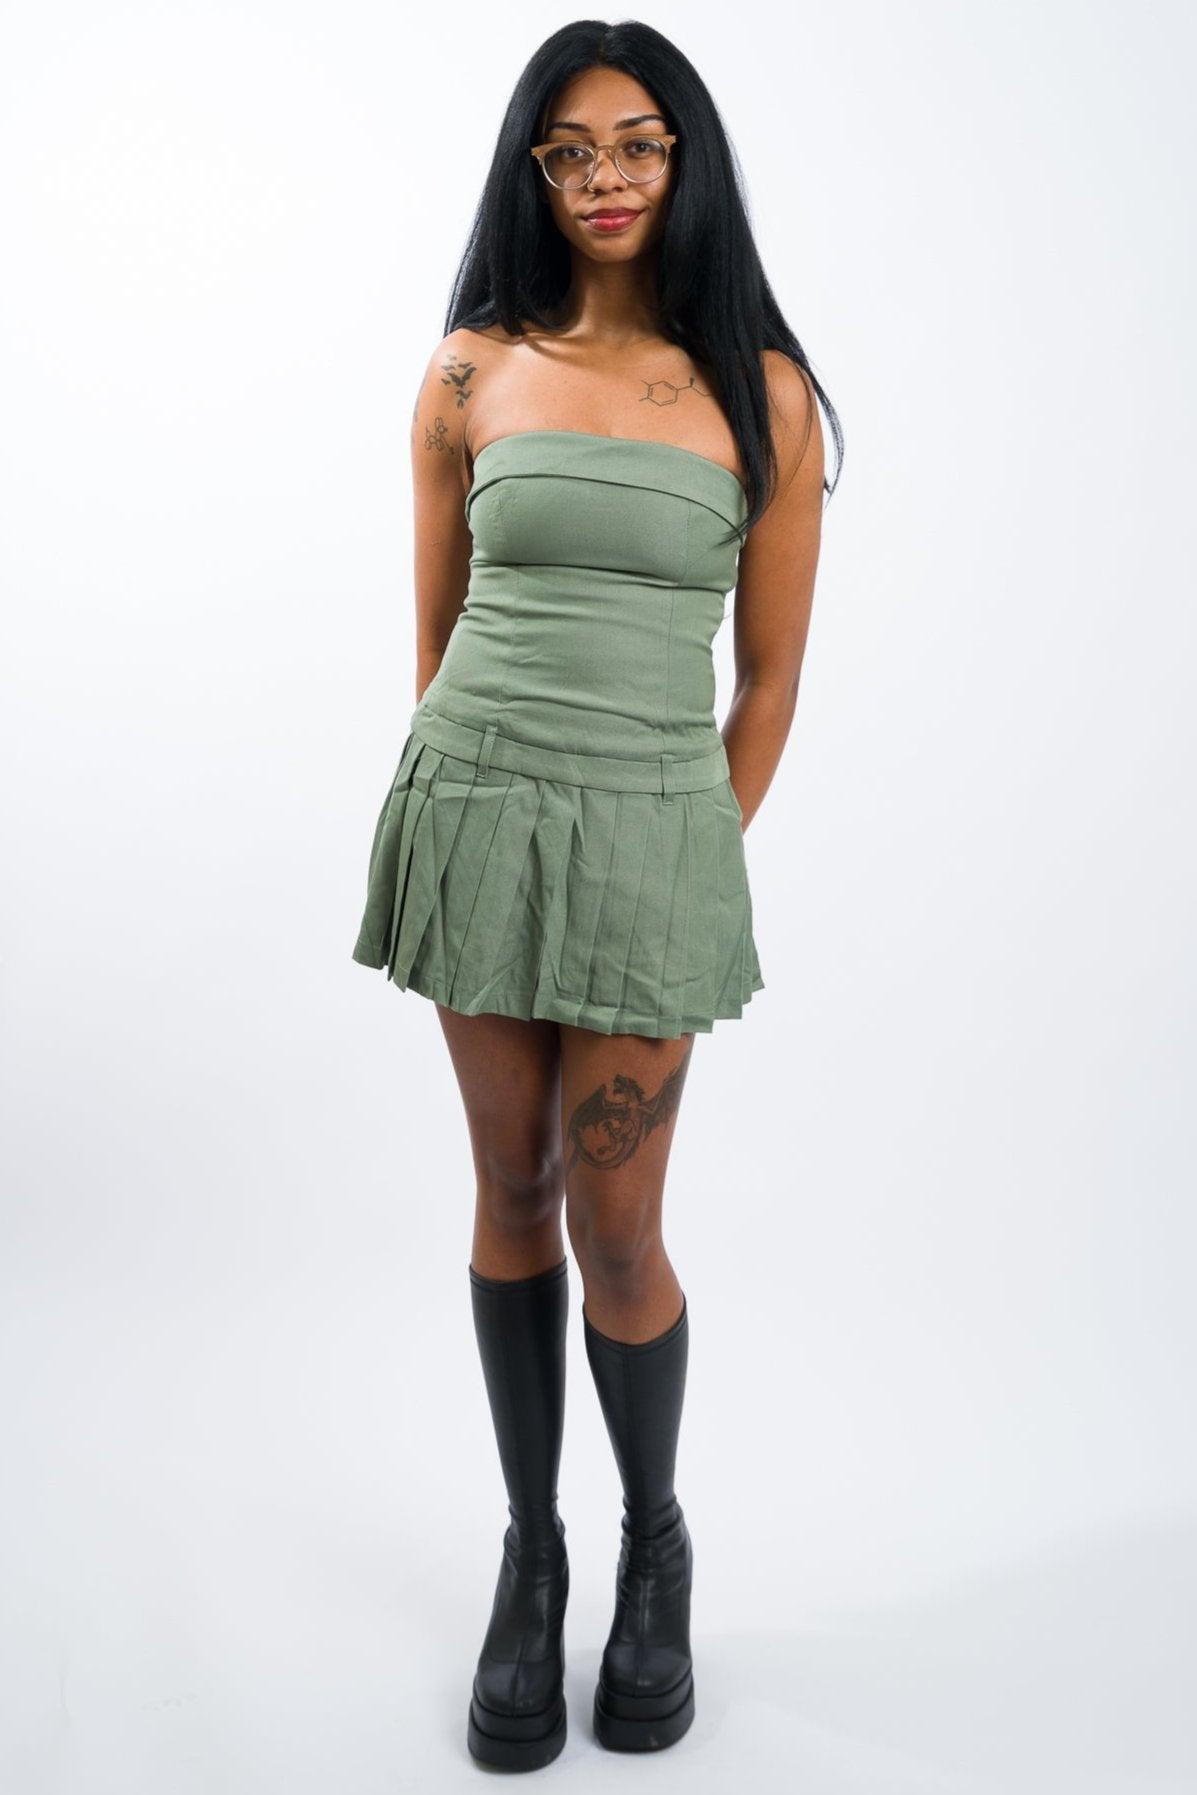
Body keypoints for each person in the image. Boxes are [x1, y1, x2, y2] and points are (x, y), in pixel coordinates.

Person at [351, 18, 839, 1770]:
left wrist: (685, 852)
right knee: (512, 1184)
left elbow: (766, 682)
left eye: (638, 142)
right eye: (571, 150)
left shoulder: (761, 394)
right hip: (475, 805)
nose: (606, 176)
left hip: (649, 840)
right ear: (533, 171)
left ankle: (651, 1550)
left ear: (683, 159)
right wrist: (464, 800)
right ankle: (531, 1558)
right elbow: (435, 638)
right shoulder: (467, 371)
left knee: (618, 1226)